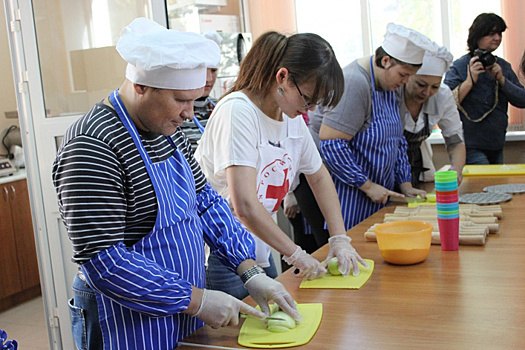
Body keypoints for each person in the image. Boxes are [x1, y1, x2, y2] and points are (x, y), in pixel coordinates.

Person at [52, 18, 299, 350]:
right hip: (124, 321)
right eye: (181, 100)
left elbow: (206, 201)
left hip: (178, 307)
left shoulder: (167, 131)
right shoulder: (93, 146)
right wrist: (196, 300)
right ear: (141, 86)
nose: (190, 114)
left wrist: (249, 269)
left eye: (194, 101)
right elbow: (104, 262)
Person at [195, 31, 368, 300]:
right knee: (236, 335)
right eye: (307, 98)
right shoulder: (238, 112)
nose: (309, 109)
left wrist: (339, 238)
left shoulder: (291, 117)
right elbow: (245, 206)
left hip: (260, 246)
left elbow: (319, 177)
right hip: (223, 252)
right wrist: (296, 253)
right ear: (283, 77)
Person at [309, 23, 433, 230]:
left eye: (410, 76)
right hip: (348, 192)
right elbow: (332, 145)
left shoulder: (393, 87)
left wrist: (405, 184)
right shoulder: (354, 82)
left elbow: (398, 140)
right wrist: (366, 185)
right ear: (386, 61)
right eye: (403, 74)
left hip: (378, 191)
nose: (405, 81)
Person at [444, 13, 525, 165]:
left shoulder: (502, 66)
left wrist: (501, 79)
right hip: (470, 145)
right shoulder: (460, 66)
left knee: (495, 188)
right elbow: (444, 103)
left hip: (497, 143)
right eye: (491, 33)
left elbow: (522, 100)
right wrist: (469, 82)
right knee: (483, 186)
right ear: (478, 35)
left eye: (499, 33)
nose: (497, 38)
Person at [397, 45, 466, 186]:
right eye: (421, 85)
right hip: (386, 166)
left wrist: (456, 169)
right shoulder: (392, 93)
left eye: (435, 86)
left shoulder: (442, 95)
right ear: (408, 77)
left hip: (417, 164)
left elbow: (455, 141)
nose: (427, 93)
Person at [181, 30, 222, 153]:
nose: (208, 78)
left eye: (213, 71)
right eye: (203, 71)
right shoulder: (176, 112)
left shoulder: (221, 106)